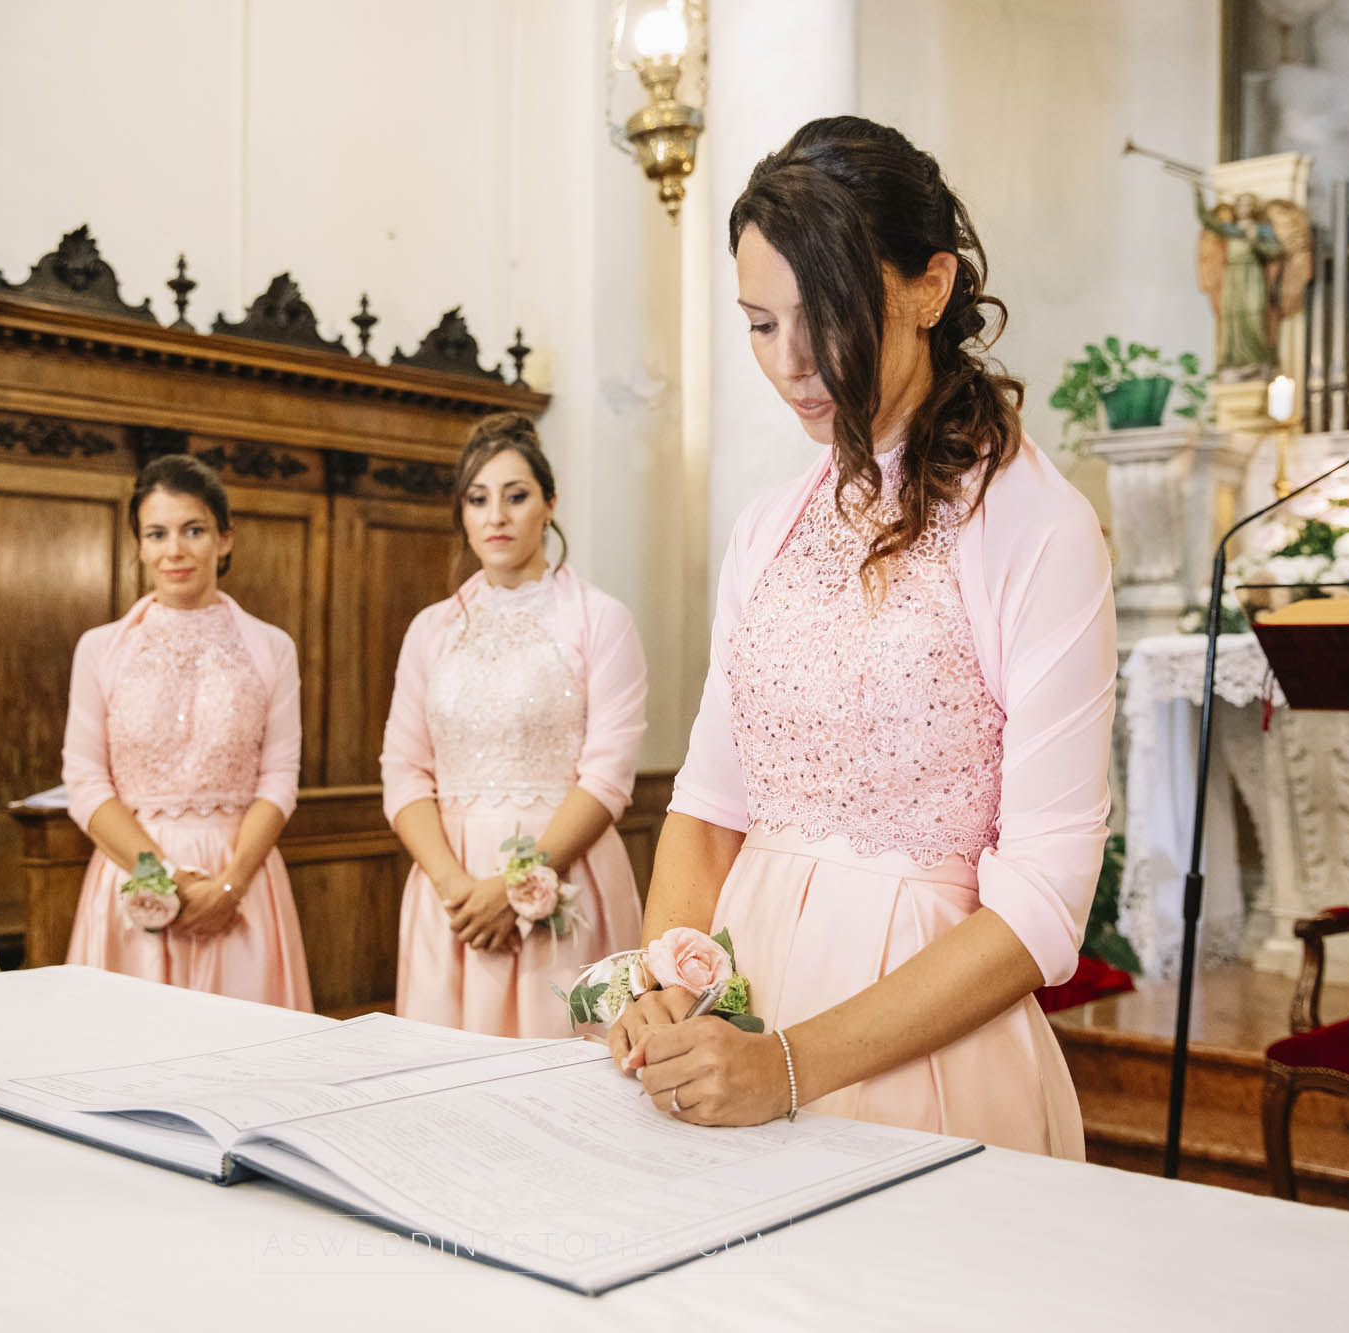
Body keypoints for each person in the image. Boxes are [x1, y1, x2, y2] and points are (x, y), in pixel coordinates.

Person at [609, 117, 1115, 1158]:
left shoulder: (1034, 526)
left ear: (929, 288)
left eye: (823, 317)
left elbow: (1038, 911)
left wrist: (790, 1064)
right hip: (737, 1021)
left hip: (921, 1055)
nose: (791, 365)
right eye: (758, 324)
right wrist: (663, 982)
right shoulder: (765, 529)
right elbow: (707, 813)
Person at [382, 413, 648, 1037]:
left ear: (549, 504)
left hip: (565, 875)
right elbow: (403, 769)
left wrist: (521, 882)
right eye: (477, 500)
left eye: (516, 496)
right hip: (453, 891)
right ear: (462, 514)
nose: (496, 516)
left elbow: (609, 775)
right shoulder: (431, 629)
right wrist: (457, 888)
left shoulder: (600, 620)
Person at [61, 454, 311, 1008]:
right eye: (157, 533)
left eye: (193, 530)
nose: (174, 550)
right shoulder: (101, 649)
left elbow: (278, 779)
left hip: (242, 879)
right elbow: (84, 781)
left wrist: (230, 885)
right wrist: (167, 879)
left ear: (224, 540)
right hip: (134, 877)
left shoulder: (271, 648)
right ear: (140, 546)